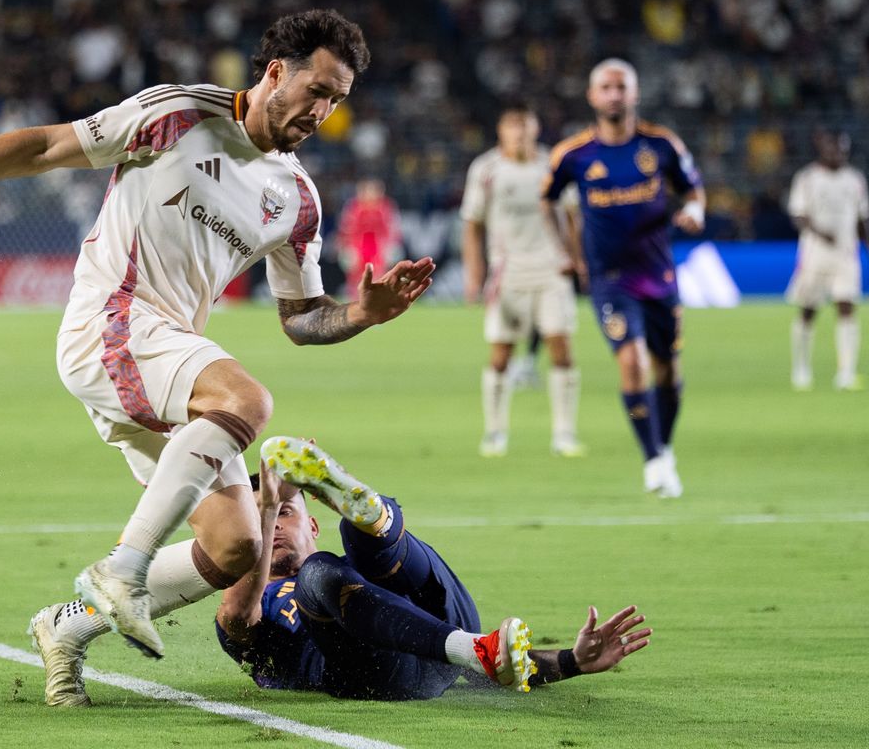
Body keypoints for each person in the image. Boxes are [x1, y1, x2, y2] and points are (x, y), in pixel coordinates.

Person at [0, 9, 436, 706]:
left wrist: (362, 315)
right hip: (112, 324)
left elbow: (303, 319)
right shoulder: (178, 115)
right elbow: (48, 146)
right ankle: (122, 571)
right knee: (249, 401)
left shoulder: (298, 202)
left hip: (167, 363)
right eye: (317, 90)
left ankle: (68, 625)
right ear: (276, 72)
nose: (323, 110)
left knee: (237, 548)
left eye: (337, 100)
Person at [215, 436, 652, 700]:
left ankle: (365, 513)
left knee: (360, 545)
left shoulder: (354, 571)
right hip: (367, 677)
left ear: (311, 523)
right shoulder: (251, 600)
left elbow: (491, 669)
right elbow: (236, 618)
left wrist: (570, 662)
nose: (270, 528)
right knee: (318, 575)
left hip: (442, 641)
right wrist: (271, 505)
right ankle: (356, 506)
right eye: (256, 520)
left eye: (283, 515)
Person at [542, 59, 706, 498]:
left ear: (634, 94)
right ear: (593, 97)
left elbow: (693, 189)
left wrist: (694, 210)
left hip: (658, 276)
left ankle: (663, 445)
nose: (614, 94)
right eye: (606, 87)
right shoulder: (573, 155)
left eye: (621, 87)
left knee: (667, 369)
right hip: (609, 279)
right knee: (631, 362)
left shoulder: (662, 145)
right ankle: (653, 459)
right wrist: (567, 251)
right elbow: (549, 201)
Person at [462, 104, 584, 458]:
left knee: (561, 349)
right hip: (508, 272)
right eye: (512, 129)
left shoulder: (553, 166)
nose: (519, 136)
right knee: (502, 354)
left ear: (535, 130)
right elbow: (472, 224)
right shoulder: (486, 170)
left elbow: (573, 216)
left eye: (525, 129)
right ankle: (495, 433)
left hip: (552, 270)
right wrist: (475, 273)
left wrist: (578, 259)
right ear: (502, 133)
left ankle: (564, 434)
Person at [786, 129, 869, 391]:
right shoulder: (808, 178)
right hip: (814, 257)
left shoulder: (855, 179)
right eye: (835, 150)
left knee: (847, 308)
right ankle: (801, 368)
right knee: (808, 311)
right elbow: (798, 215)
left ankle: (845, 373)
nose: (839, 155)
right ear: (824, 149)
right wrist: (821, 232)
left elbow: (861, 219)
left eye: (843, 151)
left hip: (846, 256)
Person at [336, 178, 402, 299]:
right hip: (358, 245)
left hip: (378, 245)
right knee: (356, 276)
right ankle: (355, 301)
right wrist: (345, 247)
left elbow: (392, 228)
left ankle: (375, 299)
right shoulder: (354, 207)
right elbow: (346, 228)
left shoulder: (386, 207)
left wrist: (392, 245)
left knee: (378, 273)